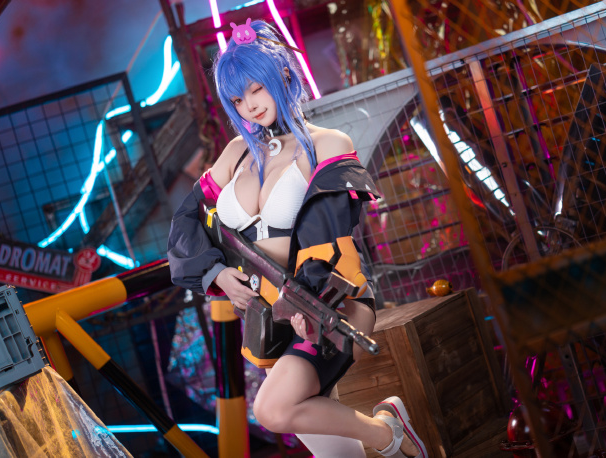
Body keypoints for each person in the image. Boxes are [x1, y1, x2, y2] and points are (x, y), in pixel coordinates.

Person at [167, 19, 426, 458]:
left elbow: (329, 238)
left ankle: (389, 433)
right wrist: (217, 274)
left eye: (256, 90)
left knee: (272, 409)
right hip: (269, 322)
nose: (249, 106)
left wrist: (312, 300)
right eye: (237, 99)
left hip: (332, 306)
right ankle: (389, 437)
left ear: (283, 76)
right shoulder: (234, 155)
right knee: (336, 454)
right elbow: (187, 219)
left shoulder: (325, 145)